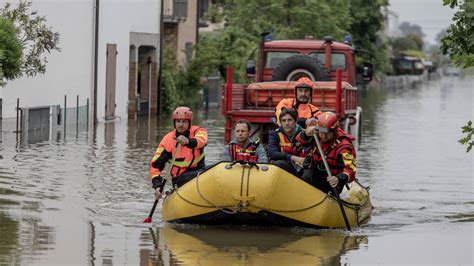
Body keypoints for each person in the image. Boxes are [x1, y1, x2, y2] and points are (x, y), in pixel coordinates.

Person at [150, 106, 208, 199]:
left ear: (189, 123)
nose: (181, 124)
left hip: (199, 172)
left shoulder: (198, 131)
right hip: (180, 179)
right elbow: (155, 166)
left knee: (210, 170)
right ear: (174, 122)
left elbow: (202, 140)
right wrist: (157, 186)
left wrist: (188, 141)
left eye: (184, 121)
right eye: (178, 121)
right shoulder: (168, 140)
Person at [296, 111, 357, 193]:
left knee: (308, 176)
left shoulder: (344, 147)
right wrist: (305, 133)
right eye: (321, 132)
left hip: (332, 183)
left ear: (334, 131)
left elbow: (350, 171)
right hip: (313, 174)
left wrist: (338, 179)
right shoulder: (316, 134)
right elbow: (298, 141)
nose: (323, 136)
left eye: (327, 133)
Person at [267, 108, 306, 176]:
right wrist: (292, 157)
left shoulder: (304, 133)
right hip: (286, 165)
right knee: (278, 164)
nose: (286, 123)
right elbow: (272, 153)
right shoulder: (275, 134)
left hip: (303, 166)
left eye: (289, 120)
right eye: (283, 121)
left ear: (295, 121)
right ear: (281, 122)